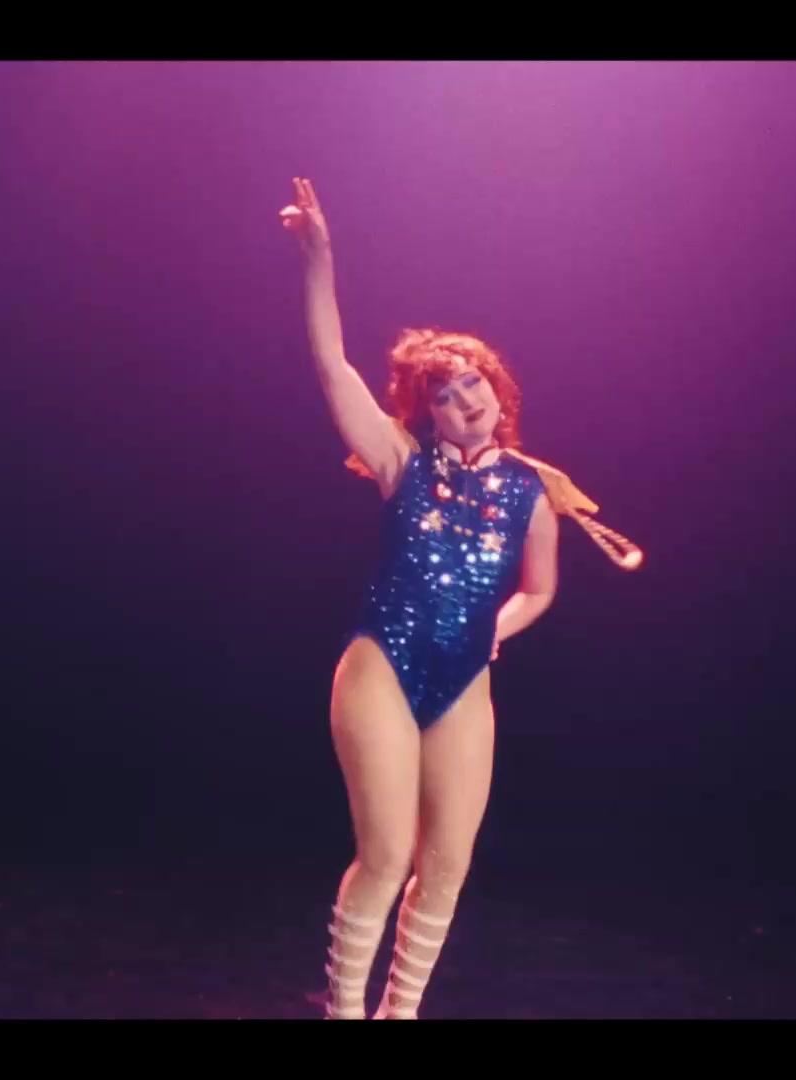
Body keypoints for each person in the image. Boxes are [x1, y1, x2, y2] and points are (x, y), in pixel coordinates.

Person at [278, 179, 641, 1019]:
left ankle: (399, 1014)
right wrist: (320, 262)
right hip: (382, 663)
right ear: (427, 412)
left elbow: (539, 589)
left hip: (464, 680)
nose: (462, 400)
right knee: (387, 855)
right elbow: (332, 367)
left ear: (497, 390)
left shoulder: (534, 488)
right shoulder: (400, 464)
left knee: (446, 864)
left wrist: (495, 629)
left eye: (471, 383)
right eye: (442, 394)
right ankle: (344, 1013)